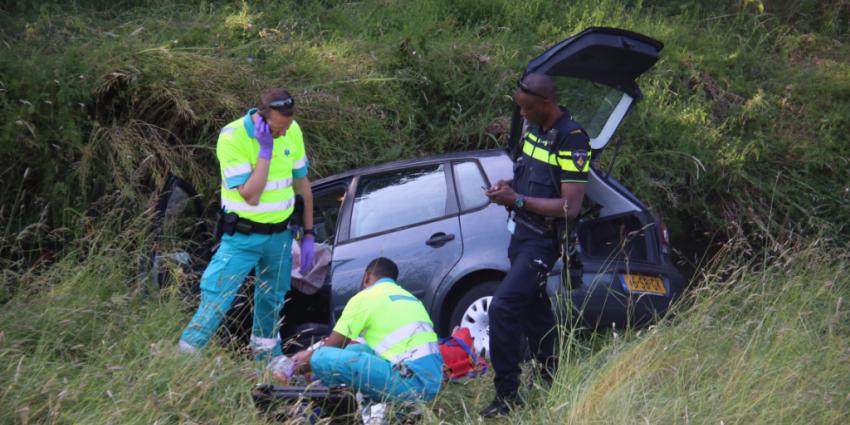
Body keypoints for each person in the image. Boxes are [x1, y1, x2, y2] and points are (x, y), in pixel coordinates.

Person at [178, 88, 316, 365]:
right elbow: (251, 194)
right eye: (277, 129)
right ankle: (185, 358)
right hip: (243, 236)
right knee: (218, 295)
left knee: (273, 300)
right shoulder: (232, 137)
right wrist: (265, 151)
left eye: (286, 127)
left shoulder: (292, 129)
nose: (282, 134)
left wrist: (310, 232)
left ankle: (267, 358)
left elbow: (301, 183)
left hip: (279, 235)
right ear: (261, 118)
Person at [481, 73, 591, 417]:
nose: (522, 115)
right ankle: (548, 381)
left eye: (527, 109)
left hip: (544, 242)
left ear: (546, 103)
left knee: (502, 307)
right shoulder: (534, 131)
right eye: (520, 108)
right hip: (520, 236)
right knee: (535, 310)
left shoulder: (573, 140)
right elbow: (528, 178)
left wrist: (516, 200)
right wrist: (508, 187)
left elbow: (569, 207)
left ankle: (506, 396)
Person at [283, 257, 443, 404]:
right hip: (433, 383)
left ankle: (300, 377)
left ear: (366, 277)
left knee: (321, 357)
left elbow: (332, 347)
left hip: (410, 386)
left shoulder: (366, 297)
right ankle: (317, 379)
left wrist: (297, 365)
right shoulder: (410, 298)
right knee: (359, 348)